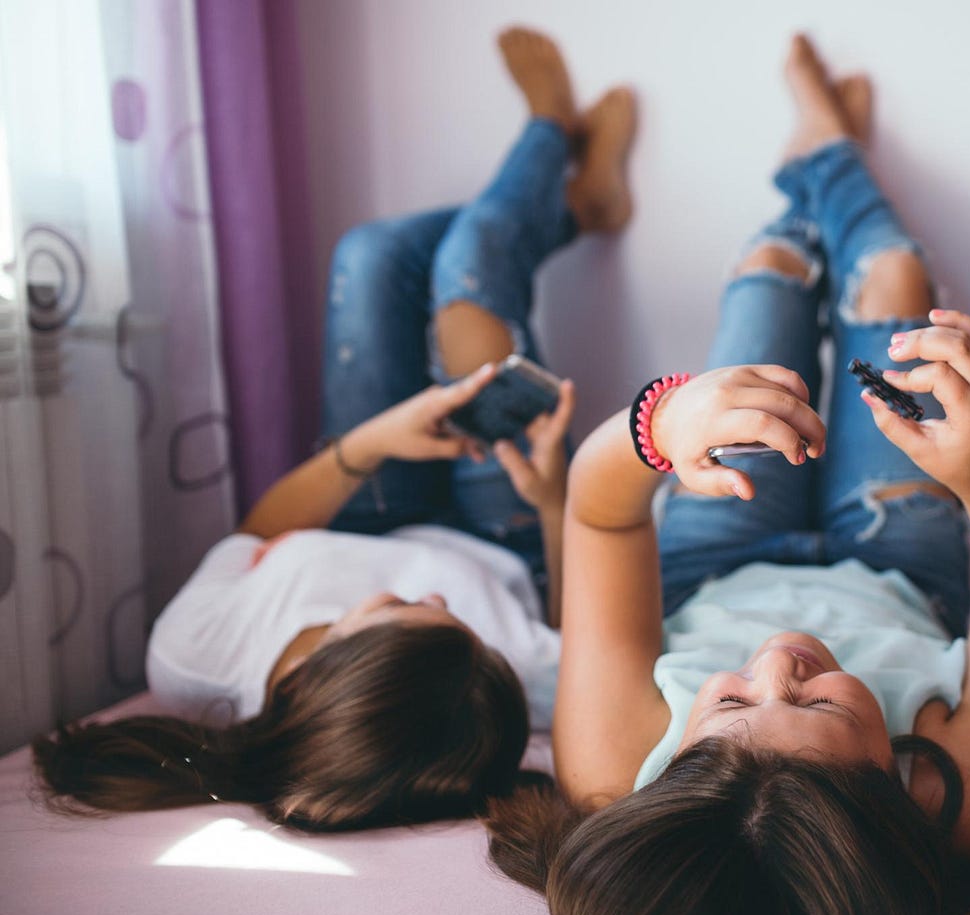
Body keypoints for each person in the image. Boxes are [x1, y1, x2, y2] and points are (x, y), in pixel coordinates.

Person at [483, 36, 970, 915]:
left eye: (726, 704)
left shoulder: (609, 765)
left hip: (716, 546)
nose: (777, 662)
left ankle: (808, 176)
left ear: (677, 756)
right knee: (897, 281)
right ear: (892, 794)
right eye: (823, 703)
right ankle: (828, 157)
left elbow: (601, 521)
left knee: (767, 286)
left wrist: (659, 425)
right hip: (898, 557)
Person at [31, 28, 637, 832]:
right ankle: (548, 132)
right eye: (453, 614)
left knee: (372, 252)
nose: (434, 591)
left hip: (370, 504)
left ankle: (567, 206)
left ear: (326, 666)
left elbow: (253, 536)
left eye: (408, 608)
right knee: (470, 275)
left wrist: (372, 443)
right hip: (510, 521)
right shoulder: (488, 686)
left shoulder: (192, 657)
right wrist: (558, 501)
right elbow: (580, 624)